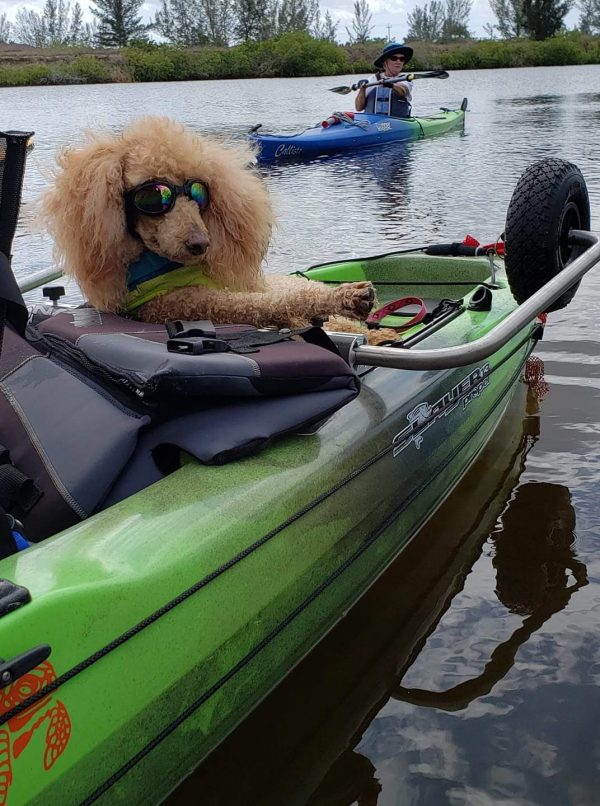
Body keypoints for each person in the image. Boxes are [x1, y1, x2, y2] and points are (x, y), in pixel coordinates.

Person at [355, 42, 414, 119]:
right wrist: (362, 90)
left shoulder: (406, 78)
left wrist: (390, 85)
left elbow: (403, 91)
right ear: (385, 63)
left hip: (398, 124)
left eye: (402, 59)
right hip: (372, 125)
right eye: (394, 58)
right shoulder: (373, 79)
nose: (398, 62)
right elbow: (359, 108)